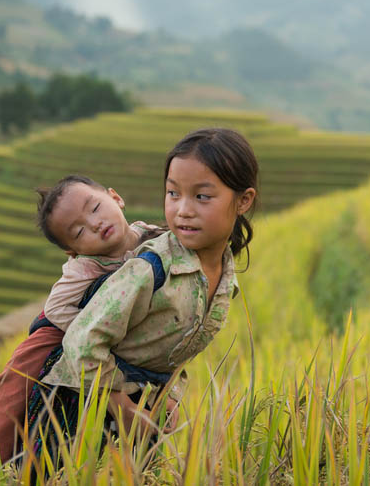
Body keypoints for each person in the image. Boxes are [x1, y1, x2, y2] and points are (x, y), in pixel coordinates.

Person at [26, 128, 259, 465]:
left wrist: (169, 397)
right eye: (173, 194)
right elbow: (81, 342)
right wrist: (121, 406)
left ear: (243, 200)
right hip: (78, 412)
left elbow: (174, 351)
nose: (183, 210)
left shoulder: (225, 278)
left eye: (202, 197)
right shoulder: (149, 268)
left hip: (140, 416)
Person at [0, 174, 165, 463]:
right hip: (60, 329)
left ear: (115, 197)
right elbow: (56, 307)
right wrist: (93, 328)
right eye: (79, 231)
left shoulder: (153, 237)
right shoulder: (84, 267)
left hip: (118, 329)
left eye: (95, 208)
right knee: (17, 377)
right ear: (73, 251)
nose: (94, 224)